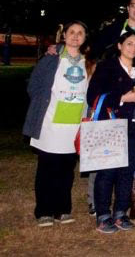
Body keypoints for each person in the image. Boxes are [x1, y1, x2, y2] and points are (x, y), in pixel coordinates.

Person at [87, 31, 135, 233]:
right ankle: (103, 215)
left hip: (134, 129)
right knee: (107, 172)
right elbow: (92, 96)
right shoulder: (107, 67)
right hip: (111, 126)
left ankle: (121, 212)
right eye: (129, 43)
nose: (133, 48)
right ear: (120, 46)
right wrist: (121, 98)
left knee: (127, 173)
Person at [25, 21, 89, 227]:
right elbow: (33, 85)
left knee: (66, 169)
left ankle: (63, 209)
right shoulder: (51, 58)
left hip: (74, 125)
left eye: (80, 33)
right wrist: (42, 104)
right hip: (50, 123)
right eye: (72, 32)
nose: (75, 36)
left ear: (85, 38)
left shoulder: (89, 62)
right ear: (64, 35)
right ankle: (44, 211)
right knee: (47, 168)